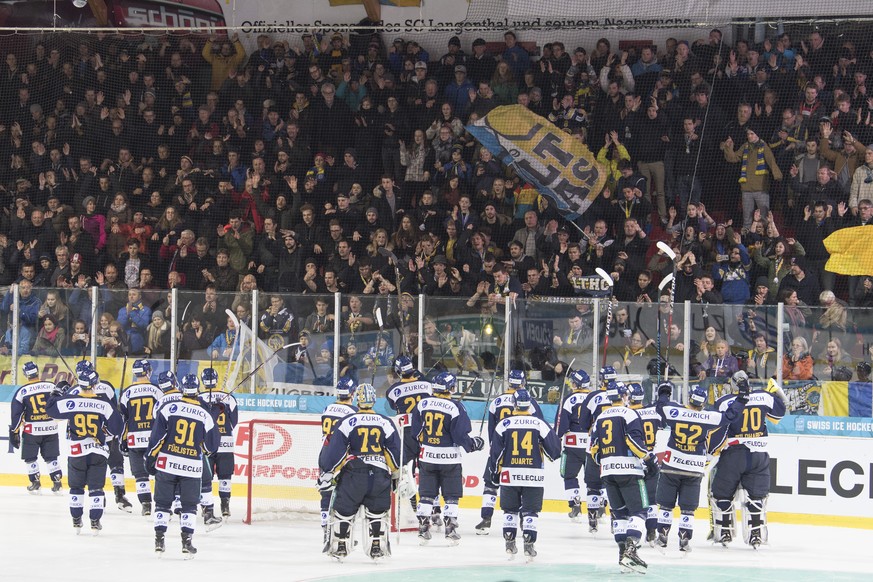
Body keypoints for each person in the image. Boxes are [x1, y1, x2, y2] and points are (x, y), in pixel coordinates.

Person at [653, 381, 747, 552]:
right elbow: (731, 416)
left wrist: (665, 391)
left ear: (689, 399)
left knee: (666, 505)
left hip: (671, 465)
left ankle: (663, 535)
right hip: (694, 469)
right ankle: (684, 538)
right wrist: (741, 398)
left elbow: (661, 406)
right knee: (688, 508)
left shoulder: (676, 412)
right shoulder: (709, 417)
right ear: (703, 403)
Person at [318, 383, 402, 561]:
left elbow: (337, 452)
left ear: (358, 400)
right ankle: (377, 546)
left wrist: (328, 471)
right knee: (377, 512)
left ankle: (341, 546)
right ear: (373, 400)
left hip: (354, 474)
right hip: (379, 475)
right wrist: (396, 473)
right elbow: (393, 451)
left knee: (344, 511)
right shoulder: (385, 421)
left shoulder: (347, 421)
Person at [710, 371, 788, 548]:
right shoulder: (764, 396)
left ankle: (724, 531)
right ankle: (756, 533)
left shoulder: (724, 402)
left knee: (722, 494)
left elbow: (716, 428)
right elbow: (779, 414)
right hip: (758, 455)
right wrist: (776, 392)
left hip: (733, 454)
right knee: (757, 496)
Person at [146, 373, 219, 558]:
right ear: (197, 390)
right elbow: (210, 448)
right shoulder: (205, 414)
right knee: (189, 506)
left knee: (162, 504)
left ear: (181, 388)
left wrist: (150, 458)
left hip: (167, 464)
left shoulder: (169, 407)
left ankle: (159, 541)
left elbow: (157, 439)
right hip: (192, 467)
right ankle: (187, 543)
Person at [589, 381, 657, 573]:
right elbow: (633, 441)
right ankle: (631, 550)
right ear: (625, 396)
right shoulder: (629, 413)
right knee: (640, 511)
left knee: (619, 514)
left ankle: (622, 555)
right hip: (630, 471)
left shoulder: (600, 417)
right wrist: (648, 459)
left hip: (608, 472)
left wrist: (608, 461)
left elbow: (594, 450)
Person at [411, 371, 484, 544]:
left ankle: (423, 528)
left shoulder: (422, 404)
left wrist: (429, 443)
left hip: (427, 457)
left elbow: (416, 432)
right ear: (451, 388)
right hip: (450, 460)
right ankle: (450, 528)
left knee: (427, 495)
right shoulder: (455, 407)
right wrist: (473, 444)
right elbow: (460, 436)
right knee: (451, 496)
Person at [488, 387, 561, 560]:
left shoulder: (504, 424)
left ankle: (509, 542)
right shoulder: (539, 424)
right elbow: (555, 452)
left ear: (514, 404)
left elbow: (496, 453)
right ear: (529, 405)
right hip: (534, 475)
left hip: (510, 474)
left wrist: (494, 472)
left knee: (510, 510)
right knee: (530, 511)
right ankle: (529, 543)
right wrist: (552, 441)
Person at [47, 368, 122, 533]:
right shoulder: (103, 402)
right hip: (98, 451)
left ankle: (76, 519)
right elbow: (117, 427)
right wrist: (105, 432)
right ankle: (95, 521)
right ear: (95, 384)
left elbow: (50, 409)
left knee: (76, 487)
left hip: (77, 451)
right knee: (96, 487)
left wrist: (57, 392)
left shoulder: (70, 400)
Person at [477, 368, 546, 534]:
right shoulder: (531, 402)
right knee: (522, 488)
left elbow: (492, 430)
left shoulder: (496, 402)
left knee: (490, 484)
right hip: (524, 455)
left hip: (500, 450)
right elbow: (541, 427)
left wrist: (494, 449)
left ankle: (486, 518)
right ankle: (524, 521)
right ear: (522, 383)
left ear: (509, 383)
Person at [71, 359, 132, 512]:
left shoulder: (73, 391)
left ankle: (98, 494)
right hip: (107, 434)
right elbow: (114, 412)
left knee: (92, 468)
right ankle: (119, 496)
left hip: (82, 438)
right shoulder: (107, 386)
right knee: (115, 464)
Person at [385, 355, 433, 508]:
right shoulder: (426, 384)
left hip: (407, 431)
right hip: (426, 429)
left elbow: (393, 406)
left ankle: (413, 502)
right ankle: (433, 505)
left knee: (408, 466)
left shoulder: (393, 390)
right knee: (427, 466)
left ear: (398, 372)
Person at [9, 361, 63, 494]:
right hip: (51, 428)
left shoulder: (22, 391)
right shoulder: (51, 386)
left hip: (32, 431)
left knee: (30, 457)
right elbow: (62, 403)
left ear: (25, 374)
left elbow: (17, 414)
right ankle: (57, 482)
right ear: (37, 371)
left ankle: (35, 482)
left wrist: (14, 431)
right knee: (51, 457)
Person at [118, 359, 163, 516]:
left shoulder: (127, 393)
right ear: (148, 371)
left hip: (134, 439)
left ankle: (145, 504)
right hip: (153, 440)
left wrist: (122, 439)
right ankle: (162, 505)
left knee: (140, 475)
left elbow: (123, 419)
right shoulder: (157, 391)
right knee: (160, 473)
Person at [318, 376, 358, 550]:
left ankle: (326, 531)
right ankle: (342, 535)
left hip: (325, 455)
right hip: (343, 458)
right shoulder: (354, 411)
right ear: (351, 393)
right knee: (345, 496)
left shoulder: (328, 408)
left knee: (326, 494)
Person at [577, 366, 618, 532]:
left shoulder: (593, 396)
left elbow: (583, 423)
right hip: (617, 448)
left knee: (593, 485)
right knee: (615, 484)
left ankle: (592, 520)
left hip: (595, 445)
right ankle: (616, 522)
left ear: (601, 380)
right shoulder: (623, 395)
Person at [198, 367, 238, 524]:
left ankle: (206, 508)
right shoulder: (229, 398)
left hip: (207, 444)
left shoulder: (198, 398)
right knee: (225, 476)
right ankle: (225, 505)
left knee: (206, 478)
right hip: (226, 443)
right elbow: (233, 422)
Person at [626, 382, 662, 544]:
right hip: (653, 457)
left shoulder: (627, 414)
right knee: (652, 498)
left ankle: (630, 530)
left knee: (636, 498)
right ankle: (652, 530)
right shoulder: (654, 412)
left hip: (636, 458)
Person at [554, 369, 592, 520]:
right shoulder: (594, 398)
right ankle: (600, 508)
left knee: (569, 476)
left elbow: (560, 425)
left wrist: (555, 440)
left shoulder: (569, 399)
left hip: (573, 446)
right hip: (592, 446)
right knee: (595, 479)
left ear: (576, 383)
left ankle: (575, 506)